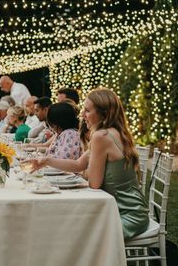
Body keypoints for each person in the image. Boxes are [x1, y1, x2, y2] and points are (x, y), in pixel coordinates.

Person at [29, 88, 149, 239]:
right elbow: (78, 164)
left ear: (103, 113)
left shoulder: (101, 136)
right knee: (69, 226)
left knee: (73, 233)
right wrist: (46, 161)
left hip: (126, 215)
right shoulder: (113, 132)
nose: (82, 115)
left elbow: (94, 184)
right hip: (132, 210)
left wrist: (87, 171)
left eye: (87, 111)